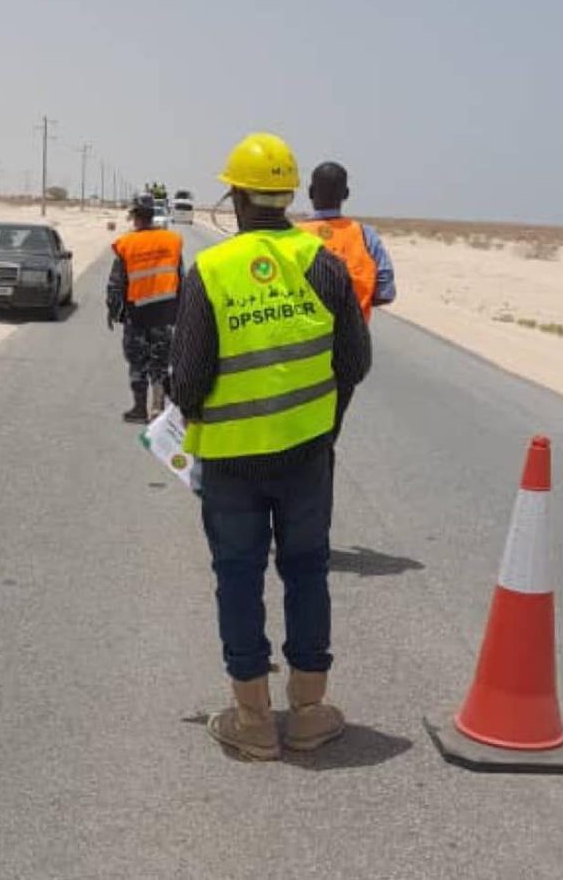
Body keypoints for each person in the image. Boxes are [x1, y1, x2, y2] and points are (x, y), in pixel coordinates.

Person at [170, 133, 371, 760]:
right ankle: (309, 712)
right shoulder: (324, 264)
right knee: (307, 573)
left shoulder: (212, 270)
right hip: (308, 456)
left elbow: (187, 380)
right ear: (288, 196)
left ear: (233, 197)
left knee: (238, 577)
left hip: (232, 464)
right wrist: (321, 422)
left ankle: (253, 719)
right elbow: (355, 362)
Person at [107, 193, 184, 422]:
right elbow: (181, 278)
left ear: (134, 217)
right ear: (152, 216)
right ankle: (158, 408)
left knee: (137, 362)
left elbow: (116, 283)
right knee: (160, 363)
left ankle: (139, 409)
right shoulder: (171, 241)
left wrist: (113, 312)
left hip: (137, 314)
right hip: (164, 314)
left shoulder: (127, 244)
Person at [298, 161, 395, 320]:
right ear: (346, 194)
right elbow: (386, 293)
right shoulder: (365, 235)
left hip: (308, 339)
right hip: (355, 339)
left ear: (310, 192)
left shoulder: (294, 235)